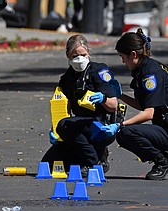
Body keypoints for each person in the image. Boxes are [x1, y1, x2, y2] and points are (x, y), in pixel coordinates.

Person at [41, 34, 119, 177]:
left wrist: (103, 98)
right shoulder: (66, 78)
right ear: (68, 56)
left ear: (88, 52)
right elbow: (64, 108)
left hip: (100, 125)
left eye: (83, 54)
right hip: (78, 128)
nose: (79, 59)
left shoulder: (99, 71)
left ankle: (92, 162)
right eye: (75, 55)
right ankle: (95, 154)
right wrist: (54, 130)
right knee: (49, 163)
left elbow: (113, 105)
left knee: (65, 125)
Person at [100, 28, 168, 180]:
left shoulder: (151, 75)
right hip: (163, 125)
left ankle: (162, 162)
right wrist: (120, 95)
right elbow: (144, 105)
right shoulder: (143, 70)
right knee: (126, 132)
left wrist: (121, 125)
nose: (122, 61)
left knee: (126, 133)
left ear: (133, 55)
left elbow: (148, 113)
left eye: (122, 57)